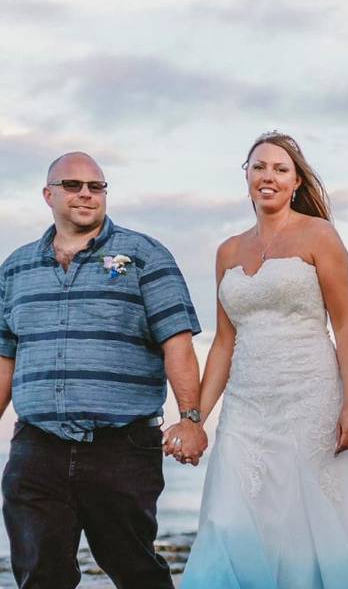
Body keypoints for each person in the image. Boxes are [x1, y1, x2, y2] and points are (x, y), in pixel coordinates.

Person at [179, 131, 348, 587]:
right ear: (246, 177)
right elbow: (224, 343)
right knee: (228, 519)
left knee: (324, 522)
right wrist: (194, 418)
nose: (268, 175)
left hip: (311, 399)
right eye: (259, 167)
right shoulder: (228, 251)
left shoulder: (319, 236)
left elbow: (346, 327)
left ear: (295, 183)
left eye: (280, 169)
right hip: (246, 408)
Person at [0, 152, 206, 588]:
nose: (86, 195)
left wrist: (190, 418)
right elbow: (5, 357)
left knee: (135, 571)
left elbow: (178, 344)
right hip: (36, 449)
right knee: (40, 575)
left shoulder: (145, 255)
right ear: (48, 194)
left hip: (122, 447)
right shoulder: (16, 268)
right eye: (73, 185)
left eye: (96, 187)